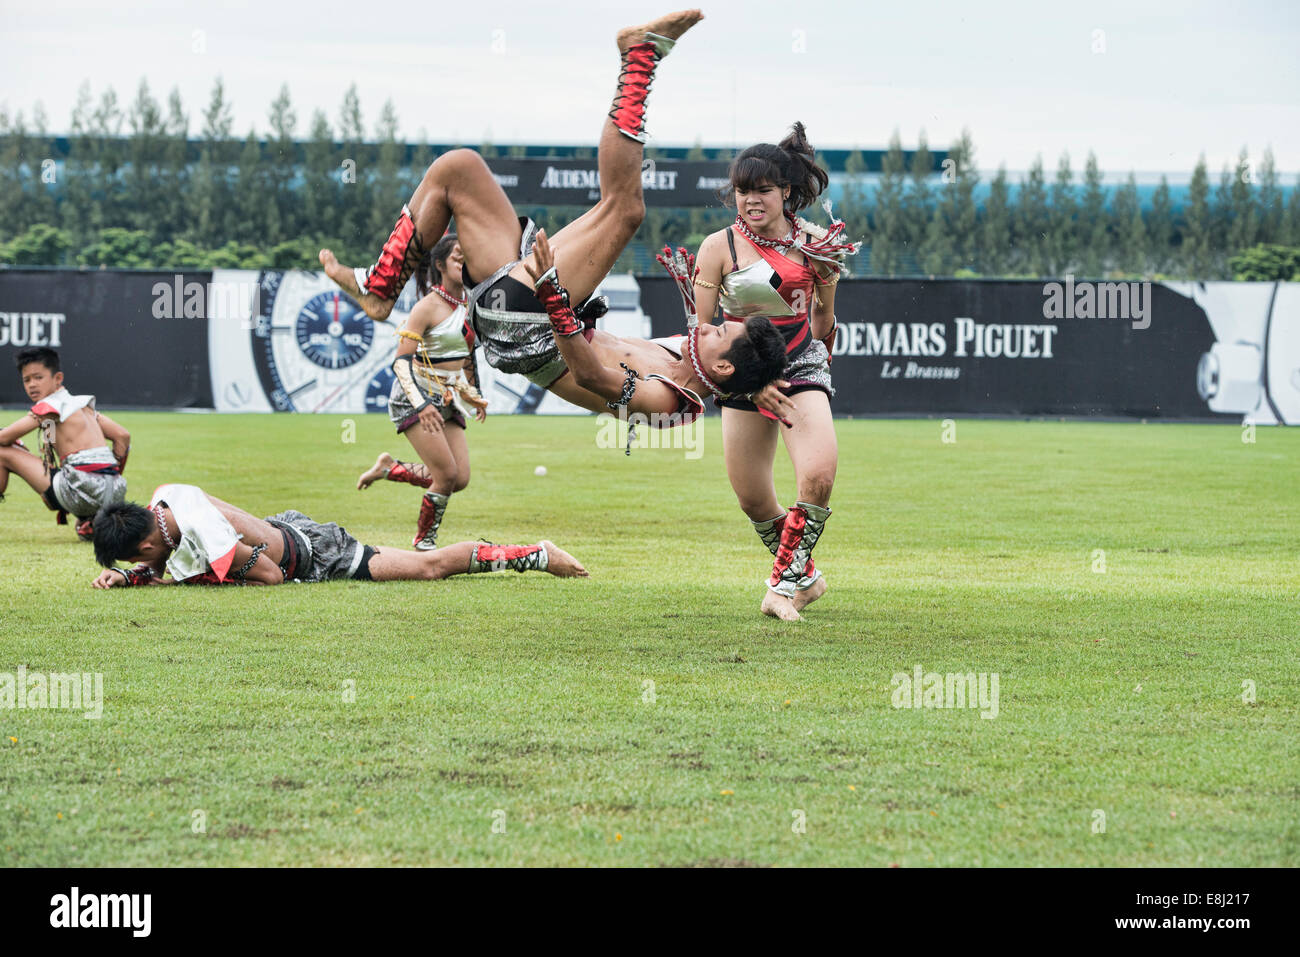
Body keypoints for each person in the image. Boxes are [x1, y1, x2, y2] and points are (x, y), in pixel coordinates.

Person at [317, 9, 794, 428]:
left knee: (625, 209)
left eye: (720, 332)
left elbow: (590, 374)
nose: (710, 325)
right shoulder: (700, 361)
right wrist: (755, 383)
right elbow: (734, 367)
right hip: (527, 311)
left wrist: (553, 297)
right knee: (456, 169)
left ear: (725, 366)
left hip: (531, 322)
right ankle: (380, 288)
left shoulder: (669, 400)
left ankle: (640, 56)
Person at [677, 122, 860, 621]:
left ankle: (780, 588)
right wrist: (746, 383)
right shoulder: (718, 248)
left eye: (762, 190)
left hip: (800, 359)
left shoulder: (821, 244)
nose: (751, 201)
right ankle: (807, 577)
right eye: (742, 191)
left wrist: (824, 350)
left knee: (818, 476)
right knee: (753, 499)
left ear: (785, 191)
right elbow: (702, 329)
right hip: (741, 370)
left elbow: (823, 319)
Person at [89, 483, 586, 588]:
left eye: (143, 562)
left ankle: (538, 554)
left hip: (318, 554)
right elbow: (169, 565)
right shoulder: (164, 499)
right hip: (282, 527)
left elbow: (268, 577)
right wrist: (132, 578)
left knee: (427, 568)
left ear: (149, 543)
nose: (148, 567)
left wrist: (157, 582)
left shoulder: (204, 538)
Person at [356, 233, 487, 550]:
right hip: (413, 398)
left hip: (446, 398)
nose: (463, 259)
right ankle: (424, 542)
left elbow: (458, 360)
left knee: (460, 478)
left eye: (467, 255)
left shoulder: (471, 304)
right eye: (457, 255)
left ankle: (390, 469)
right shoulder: (426, 307)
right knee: (445, 477)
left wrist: (470, 393)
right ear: (440, 264)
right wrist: (421, 405)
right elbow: (401, 363)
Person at [0, 346, 130, 539]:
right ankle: (94, 518)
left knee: (2, 453)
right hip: (115, 493)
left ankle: (91, 513)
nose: (32, 385)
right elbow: (123, 436)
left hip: (82, 488)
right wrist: (109, 480)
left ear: (58, 378)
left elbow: (4, 439)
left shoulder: (50, 406)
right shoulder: (82, 405)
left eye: (38, 377)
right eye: (26, 380)